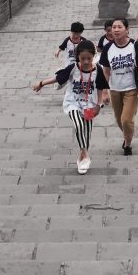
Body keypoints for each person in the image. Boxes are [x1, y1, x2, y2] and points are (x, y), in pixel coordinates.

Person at [33, 40, 107, 174]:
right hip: (72, 102)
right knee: (78, 125)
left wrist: (98, 105)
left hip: (89, 104)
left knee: (87, 131)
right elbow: (58, 78)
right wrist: (41, 83)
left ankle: (82, 157)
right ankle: (86, 155)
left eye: (88, 58)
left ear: (93, 56)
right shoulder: (73, 67)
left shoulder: (98, 70)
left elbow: (101, 87)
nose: (85, 61)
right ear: (78, 57)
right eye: (82, 58)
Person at [99, 18, 138, 156]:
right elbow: (106, 70)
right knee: (120, 120)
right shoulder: (108, 48)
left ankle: (127, 144)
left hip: (131, 88)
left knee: (126, 119)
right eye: (114, 27)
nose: (116, 30)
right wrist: (104, 92)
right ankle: (128, 135)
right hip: (115, 89)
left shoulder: (135, 45)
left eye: (119, 27)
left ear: (127, 29)